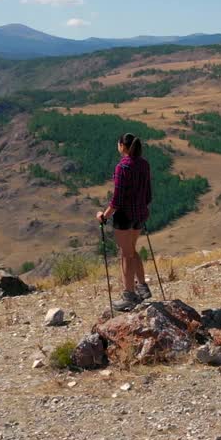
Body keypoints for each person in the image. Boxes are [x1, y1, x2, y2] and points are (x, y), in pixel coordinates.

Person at [96, 133, 153, 311]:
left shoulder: (123, 167)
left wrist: (104, 215)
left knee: (125, 254)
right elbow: (148, 194)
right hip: (140, 214)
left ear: (123, 146)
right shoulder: (144, 164)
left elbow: (117, 200)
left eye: (118, 144)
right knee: (131, 250)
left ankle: (129, 295)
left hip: (124, 216)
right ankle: (142, 287)